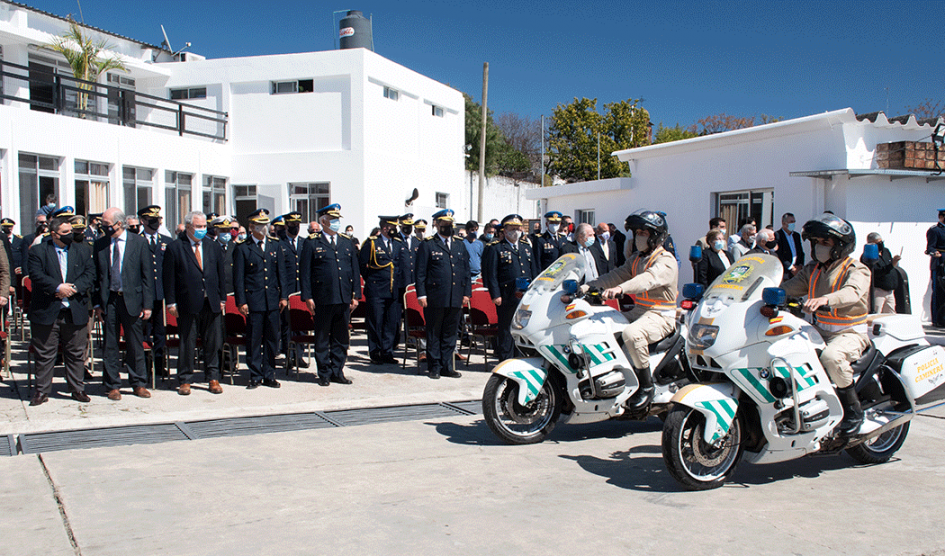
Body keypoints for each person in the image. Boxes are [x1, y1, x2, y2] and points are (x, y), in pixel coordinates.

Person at [782, 213, 871, 436]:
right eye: (815, 243)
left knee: (832, 357)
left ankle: (853, 411)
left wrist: (826, 300)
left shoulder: (856, 269)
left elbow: (852, 292)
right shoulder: (813, 270)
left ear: (840, 246)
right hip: (819, 331)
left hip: (849, 332)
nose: (818, 247)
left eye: (824, 242)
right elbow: (788, 287)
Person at [581, 210, 677, 410]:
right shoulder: (636, 258)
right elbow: (617, 274)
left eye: (644, 232)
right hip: (640, 311)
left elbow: (647, 279)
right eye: (637, 232)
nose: (639, 237)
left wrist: (621, 289)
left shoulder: (665, 260)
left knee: (632, 334)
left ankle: (646, 386)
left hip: (661, 314)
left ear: (656, 235)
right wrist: (587, 286)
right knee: (601, 325)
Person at [26, 216, 92, 405]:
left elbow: (90, 274)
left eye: (70, 231)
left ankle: (77, 389)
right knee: (45, 353)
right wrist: (58, 287)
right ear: (54, 234)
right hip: (47, 310)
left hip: (74, 309)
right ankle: (42, 391)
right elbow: (36, 275)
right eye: (65, 233)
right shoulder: (38, 251)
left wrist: (72, 288)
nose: (70, 235)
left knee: (76, 352)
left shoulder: (82, 250)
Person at [93, 207, 153, 401]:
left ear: (119, 224)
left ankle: (138, 383)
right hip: (109, 300)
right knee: (110, 344)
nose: (103, 227)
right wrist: (97, 305)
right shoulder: (100, 244)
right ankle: (112, 385)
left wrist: (147, 305)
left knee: (134, 343)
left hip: (132, 300)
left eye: (106, 224)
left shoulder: (139, 243)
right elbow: (97, 277)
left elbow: (147, 277)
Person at [164, 210, 226, 395]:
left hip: (211, 302)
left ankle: (213, 377)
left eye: (204, 226)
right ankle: (185, 379)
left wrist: (222, 298)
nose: (202, 230)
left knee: (212, 342)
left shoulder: (212, 246)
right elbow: (169, 279)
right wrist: (171, 303)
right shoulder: (175, 247)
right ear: (188, 227)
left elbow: (220, 275)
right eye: (198, 227)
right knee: (187, 342)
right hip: (187, 302)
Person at [300, 204, 360, 386]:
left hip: (342, 297)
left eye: (337, 220)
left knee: (341, 338)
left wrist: (356, 295)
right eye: (332, 220)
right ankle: (324, 372)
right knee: (322, 337)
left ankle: (337, 370)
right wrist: (308, 297)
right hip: (323, 298)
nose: (336, 223)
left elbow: (354, 271)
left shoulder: (345, 242)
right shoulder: (312, 242)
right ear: (323, 221)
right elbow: (305, 272)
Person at [234, 209, 288, 389]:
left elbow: (282, 273)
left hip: (272, 300)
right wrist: (241, 301)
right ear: (251, 227)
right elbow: (239, 278)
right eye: (260, 225)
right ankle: (255, 374)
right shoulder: (243, 247)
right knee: (254, 339)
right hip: (254, 301)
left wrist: (284, 296)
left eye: (266, 224)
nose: (264, 228)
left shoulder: (275, 245)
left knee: (272, 338)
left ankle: (269, 373)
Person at [415, 209, 471, 379]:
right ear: (437, 225)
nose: (448, 228)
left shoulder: (460, 244)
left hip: (455, 296)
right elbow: (420, 273)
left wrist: (466, 293)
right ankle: (434, 367)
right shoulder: (428, 244)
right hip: (435, 297)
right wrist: (421, 295)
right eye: (444, 225)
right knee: (434, 333)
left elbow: (466, 272)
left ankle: (447, 366)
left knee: (450, 334)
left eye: (450, 225)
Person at [482, 214, 538, 361]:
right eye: (512, 229)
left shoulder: (526, 247)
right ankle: (506, 359)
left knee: (522, 328)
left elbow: (534, 270)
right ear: (505, 231)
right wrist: (495, 295)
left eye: (518, 228)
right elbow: (492, 274)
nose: (516, 231)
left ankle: (519, 358)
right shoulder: (497, 248)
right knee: (506, 329)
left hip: (525, 296)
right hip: (506, 296)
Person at [360, 215, 408, 364]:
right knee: (376, 322)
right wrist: (372, 280)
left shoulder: (399, 244)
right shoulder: (372, 243)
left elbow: (403, 266)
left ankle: (387, 351)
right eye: (392, 227)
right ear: (385, 227)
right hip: (376, 289)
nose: (395, 229)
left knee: (391, 323)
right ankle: (375, 352)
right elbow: (362, 265)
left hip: (394, 290)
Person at [138, 206, 172, 378]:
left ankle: (159, 365)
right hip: (143, 296)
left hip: (160, 294)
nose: (156, 223)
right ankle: (144, 366)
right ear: (143, 221)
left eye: (157, 219)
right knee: (144, 332)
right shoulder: (136, 241)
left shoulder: (167, 241)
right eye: (151, 220)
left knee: (160, 333)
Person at [279, 211, 306, 367]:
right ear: (286, 226)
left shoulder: (304, 243)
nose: (295, 228)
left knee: (301, 324)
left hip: (301, 291)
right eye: (292, 225)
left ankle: (299, 355)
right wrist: (282, 294)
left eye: (297, 225)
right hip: (287, 291)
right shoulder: (279, 243)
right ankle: (289, 355)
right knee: (287, 326)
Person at [862, 232, 900, 314]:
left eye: (881, 242)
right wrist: (891, 265)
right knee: (876, 312)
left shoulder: (886, 251)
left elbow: (890, 266)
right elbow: (876, 272)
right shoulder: (867, 256)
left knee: (891, 313)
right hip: (878, 291)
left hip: (889, 290)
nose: (881, 244)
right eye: (878, 243)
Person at [927, 209, 945, 327]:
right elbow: (930, 248)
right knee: (938, 292)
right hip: (940, 262)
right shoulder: (935, 230)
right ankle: (937, 320)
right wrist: (935, 253)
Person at [776, 212, 805, 281]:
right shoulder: (778, 235)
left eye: (794, 221)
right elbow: (779, 254)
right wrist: (791, 267)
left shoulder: (796, 235)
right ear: (784, 223)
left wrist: (800, 266)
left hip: (797, 271)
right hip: (785, 272)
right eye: (791, 222)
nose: (793, 224)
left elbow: (800, 252)